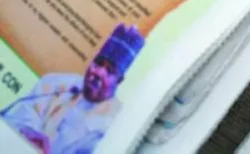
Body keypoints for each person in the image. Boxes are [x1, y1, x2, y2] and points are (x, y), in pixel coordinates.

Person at [1, 24, 145, 154]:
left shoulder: (114, 124)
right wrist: (30, 133)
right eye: (98, 63)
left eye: (110, 71)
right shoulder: (58, 83)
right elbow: (25, 111)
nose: (98, 73)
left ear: (119, 81)